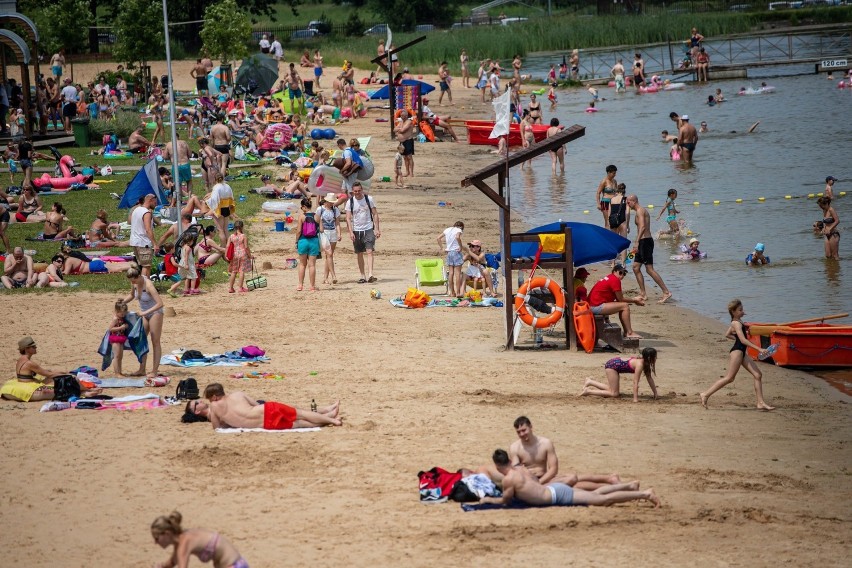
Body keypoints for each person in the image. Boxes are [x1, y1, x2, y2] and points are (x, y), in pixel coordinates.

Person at [479, 449, 660, 508]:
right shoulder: (523, 470)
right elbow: (535, 483)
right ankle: (630, 486)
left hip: (557, 496)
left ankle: (645, 494)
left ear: (497, 466)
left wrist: (488, 499)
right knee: (596, 494)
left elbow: (505, 500)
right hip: (554, 490)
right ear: (510, 460)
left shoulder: (508, 480)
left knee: (603, 500)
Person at [700, 299, 776, 411]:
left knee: (757, 375)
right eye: (740, 310)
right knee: (730, 378)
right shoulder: (736, 323)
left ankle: (760, 402)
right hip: (737, 352)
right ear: (733, 312)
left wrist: (739, 337)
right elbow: (743, 340)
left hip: (741, 352)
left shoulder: (737, 322)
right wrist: (759, 348)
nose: (743, 311)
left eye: (742, 309)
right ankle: (705, 394)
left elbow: (727, 334)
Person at [189, 383, 341, 429]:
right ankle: (329, 417)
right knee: (299, 414)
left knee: (298, 422)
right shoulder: (237, 394)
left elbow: (217, 428)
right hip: (264, 410)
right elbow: (257, 404)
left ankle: (328, 416)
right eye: (196, 403)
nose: (202, 401)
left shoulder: (214, 407)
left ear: (214, 397)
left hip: (264, 423)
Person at [1, 337, 98, 401]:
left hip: (27, 382)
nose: (36, 348)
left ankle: (83, 391)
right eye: (33, 346)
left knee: (57, 375)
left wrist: (60, 372)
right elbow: (49, 375)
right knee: (68, 381)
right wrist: (68, 375)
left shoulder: (20, 360)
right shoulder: (29, 363)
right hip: (29, 387)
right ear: (27, 349)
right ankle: (84, 391)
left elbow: (47, 373)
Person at [151, 511, 248, 568]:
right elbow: (171, 562)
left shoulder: (183, 544)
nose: (155, 542)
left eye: (156, 538)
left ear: (167, 534)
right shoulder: (181, 540)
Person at [627, 194, 672, 304]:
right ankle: (643, 293)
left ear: (634, 201)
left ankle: (666, 292)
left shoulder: (640, 211)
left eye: (628, 202)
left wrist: (637, 242)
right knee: (636, 267)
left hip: (645, 242)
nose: (627, 204)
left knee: (649, 269)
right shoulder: (638, 211)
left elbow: (642, 227)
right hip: (641, 242)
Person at [122, 264, 164, 378]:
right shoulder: (134, 283)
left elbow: (160, 303)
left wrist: (144, 313)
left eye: (134, 281)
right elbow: (131, 295)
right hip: (144, 313)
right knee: (141, 340)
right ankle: (142, 369)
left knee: (155, 341)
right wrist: (122, 302)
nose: (133, 283)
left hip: (156, 312)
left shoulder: (148, 285)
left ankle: (154, 370)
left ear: (138, 277)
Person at [587, 264, 644, 339]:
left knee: (621, 305)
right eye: (620, 273)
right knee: (625, 306)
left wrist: (606, 318)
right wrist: (635, 300)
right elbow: (620, 299)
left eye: (624, 274)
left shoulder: (610, 277)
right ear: (614, 271)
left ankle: (627, 332)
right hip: (594, 307)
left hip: (592, 305)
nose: (622, 276)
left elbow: (612, 299)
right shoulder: (615, 280)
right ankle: (629, 332)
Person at [581, 348, 659, 402]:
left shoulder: (645, 363)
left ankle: (590, 382)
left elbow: (649, 378)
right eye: (655, 357)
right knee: (614, 394)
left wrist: (655, 392)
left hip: (615, 365)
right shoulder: (640, 364)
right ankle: (588, 391)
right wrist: (635, 399)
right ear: (649, 358)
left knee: (611, 389)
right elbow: (635, 382)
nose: (656, 358)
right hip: (612, 366)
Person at [346, 182, 380, 284]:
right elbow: (348, 218)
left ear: (362, 190)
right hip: (356, 230)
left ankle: (370, 274)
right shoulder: (350, 202)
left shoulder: (369, 199)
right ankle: (362, 275)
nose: (357, 193)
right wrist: (351, 232)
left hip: (368, 228)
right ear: (353, 191)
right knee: (359, 253)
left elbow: (375, 214)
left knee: (369, 251)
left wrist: (377, 229)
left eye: (359, 191)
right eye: (355, 191)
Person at [295, 198, 320, 291]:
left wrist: (296, 241)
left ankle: (300, 285)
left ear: (304, 207)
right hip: (314, 241)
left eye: (302, 208)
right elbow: (321, 230)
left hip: (303, 241)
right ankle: (312, 286)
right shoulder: (317, 216)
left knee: (302, 264)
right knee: (312, 265)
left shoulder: (301, 216)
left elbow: (298, 231)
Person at [129, 193, 156, 277]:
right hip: (143, 243)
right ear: (150, 200)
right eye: (155, 202)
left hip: (135, 241)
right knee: (146, 266)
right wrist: (155, 244)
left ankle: (145, 286)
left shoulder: (136, 210)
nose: (156, 204)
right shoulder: (146, 212)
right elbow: (148, 229)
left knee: (142, 265)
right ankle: (144, 287)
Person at [317, 193, 341, 285]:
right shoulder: (320, 209)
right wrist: (321, 226)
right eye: (330, 202)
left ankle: (325, 278)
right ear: (326, 201)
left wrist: (339, 233)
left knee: (329, 256)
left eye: (332, 202)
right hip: (324, 233)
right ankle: (333, 275)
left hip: (333, 232)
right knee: (329, 254)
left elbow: (337, 223)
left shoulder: (335, 210)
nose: (332, 204)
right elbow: (317, 220)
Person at [438, 221, 466, 297]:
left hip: (449, 253)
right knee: (457, 273)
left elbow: (438, 238)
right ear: (461, 227)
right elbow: (457, 237)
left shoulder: (448, 229)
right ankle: (458, 292)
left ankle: (452, 292)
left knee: (451, 273)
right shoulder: (458, 230)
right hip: (456, 252)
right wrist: (460, 247)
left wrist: (442, 248)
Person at [208, 174, 236, 247]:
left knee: (220, 229)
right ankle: (229, 245)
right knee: (225, 229)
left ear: (215, 179)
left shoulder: (216, 187)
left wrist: (208, 202)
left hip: (219, 209)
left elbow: (214, 200)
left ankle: (223, 246)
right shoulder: (227, 186)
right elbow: (231, 197)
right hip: (226, 208)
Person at [227, 219, 252, 294]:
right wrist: (250, 256)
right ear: (242, 227)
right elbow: (246, 247)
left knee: (234, 271)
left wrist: (226, 255)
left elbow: (228, 246)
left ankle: (231, 288)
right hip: (243, 254)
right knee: (241, 271)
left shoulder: (231, 236)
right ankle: (240, 287)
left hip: (234, 254)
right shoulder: (243, 236)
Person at [107, 300, 131, 375]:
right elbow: (110, 329)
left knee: (120, 356)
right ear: (116, 311)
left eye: (124, 313)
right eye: (121, 313)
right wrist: (120, 327)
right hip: (115, 338)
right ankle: (117, 373)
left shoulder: (122, 318)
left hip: (121, 338)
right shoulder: (115, 319)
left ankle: (120, 372)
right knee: (116, 356)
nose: (123, 314)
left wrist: (126, 326)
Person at [395, 113, 415, 179]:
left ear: (406, 116)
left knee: (409, 157)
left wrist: (399, 129)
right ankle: (407, 172)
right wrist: (399, 129)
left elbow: (403, 130)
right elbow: (394, 129)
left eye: (403, 115)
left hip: (408, 140)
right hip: (402, 142)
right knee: (405, 157)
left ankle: (411, 172)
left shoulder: (409, 122)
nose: (401, 117)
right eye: (401, 115)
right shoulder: (401, 122)